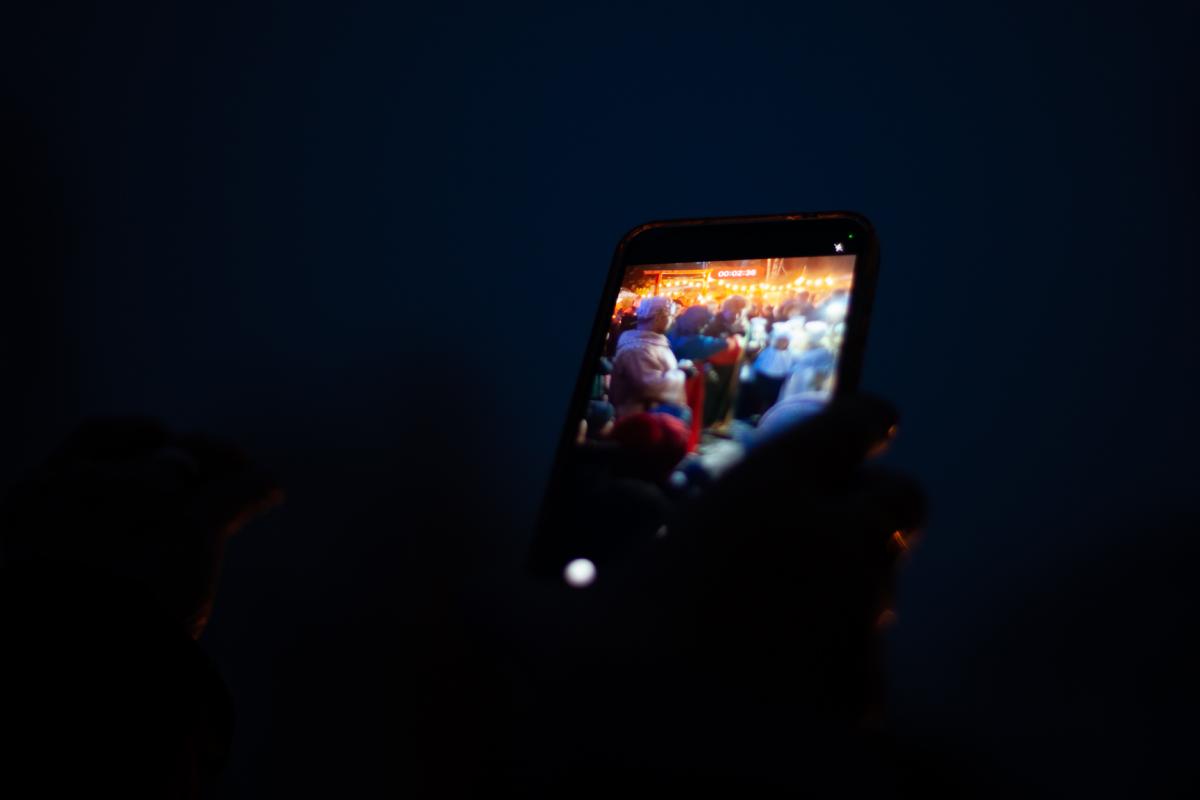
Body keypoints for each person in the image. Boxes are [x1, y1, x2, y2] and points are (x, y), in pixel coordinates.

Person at [609, 296, 689, 419]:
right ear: (658, 317)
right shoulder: (638, 349)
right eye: (671, 316)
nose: (673, 320)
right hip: (638, 419)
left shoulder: (650, 343)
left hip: (652, 416)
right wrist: (681, 373)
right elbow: (649, 386)